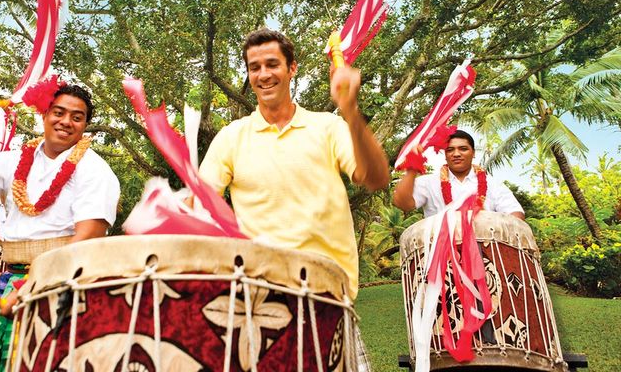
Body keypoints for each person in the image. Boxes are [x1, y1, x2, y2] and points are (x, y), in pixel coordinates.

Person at [0, 84, 120, 371]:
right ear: (44, 115)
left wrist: (35, 284)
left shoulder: (96, 171)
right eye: (59, 112)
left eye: (77, 117)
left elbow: (87, 238)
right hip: (10, 281)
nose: (66, 121)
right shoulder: (13, 161)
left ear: (85, 125)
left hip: (68, 282)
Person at [198, 28, 391, 299]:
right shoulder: (231, 137)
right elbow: (199, 207)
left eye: (272, 64)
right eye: (255, 67)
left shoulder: (328, 127)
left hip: (328, 292)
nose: (264, 74)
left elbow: (376, 178)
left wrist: (350, 109)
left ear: (292, 69)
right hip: (260, 294)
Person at [393, 129, 525, 219]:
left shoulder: (492, 184)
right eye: (450, 150)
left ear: (473, 153)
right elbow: (402, 203)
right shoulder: (428, 182)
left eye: (463, 149)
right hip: (440, 254)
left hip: (485, 253)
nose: (456, 154)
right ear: (445, 155)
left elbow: (516, 214)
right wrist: (412, 168)